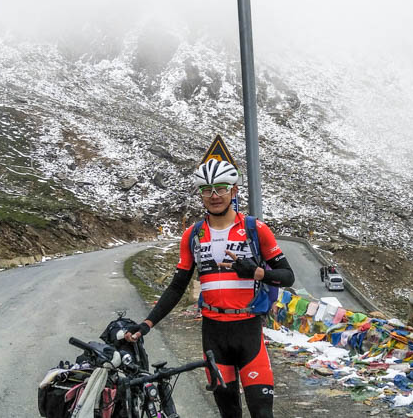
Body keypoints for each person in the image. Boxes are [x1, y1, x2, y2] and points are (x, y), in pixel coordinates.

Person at [125, 158, 295, 418]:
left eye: (221, 188)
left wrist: (257, 272)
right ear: (200, 194)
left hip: (249, 331)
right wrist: (147, 324)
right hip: (213, 334)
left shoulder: (255, 229)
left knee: (262, 413)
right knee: (229, 414)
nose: (214, 195)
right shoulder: (192, 235)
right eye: (207, 189)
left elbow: (288, 276)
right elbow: (177, 287)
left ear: (234, 191)